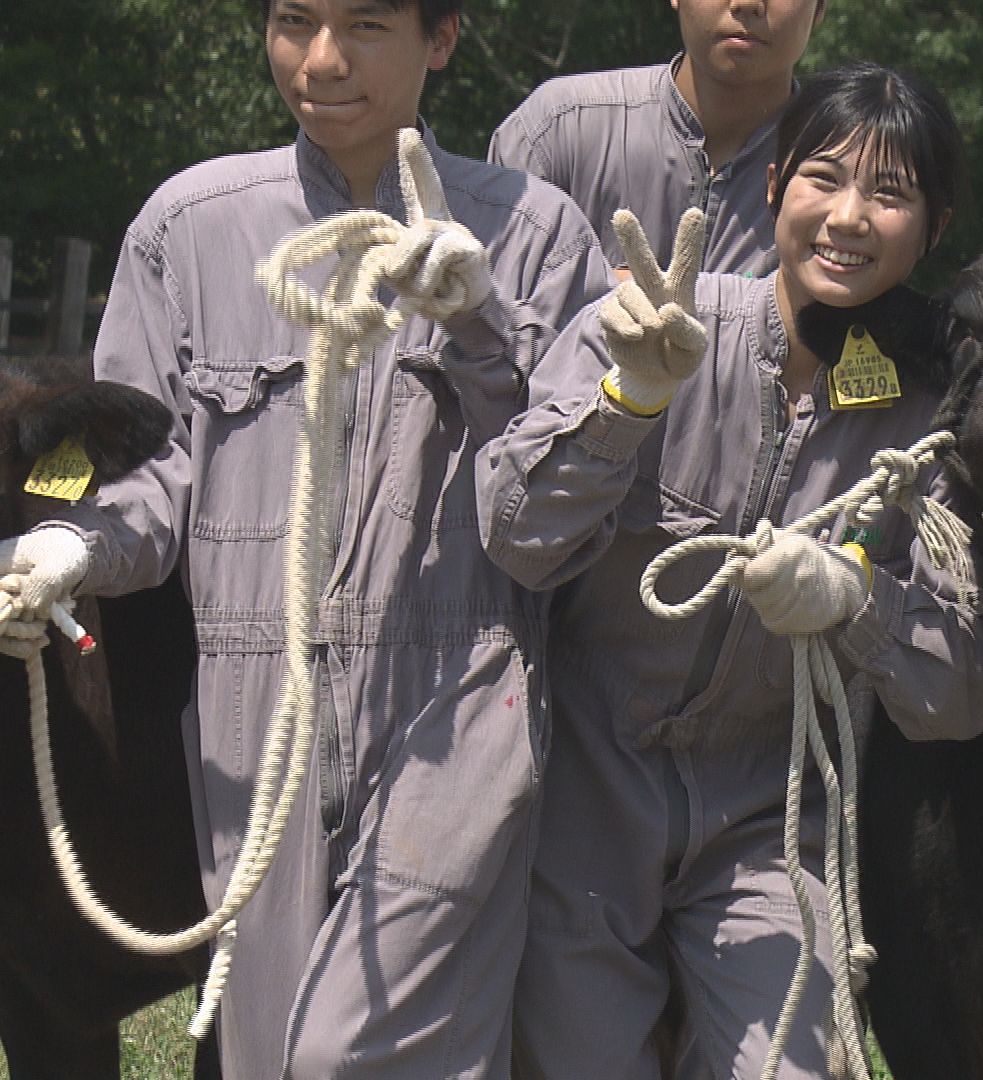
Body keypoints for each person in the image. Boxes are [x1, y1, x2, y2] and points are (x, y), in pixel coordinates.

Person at [0, 0, 609, 1076]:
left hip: (459, 696)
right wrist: (76, 549)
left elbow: (555, 508)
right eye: (294, 22)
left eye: (366, 25)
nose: (321, 60)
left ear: (443, 37)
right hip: (248, 711)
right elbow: (152, 479)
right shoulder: (186, 230)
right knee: (268, 1054)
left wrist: (476, 324)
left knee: (356, 1058)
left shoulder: (542, 233)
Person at [477, 62, 983, 1079]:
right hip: (588, 787)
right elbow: (514, 533)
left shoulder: (929, 412)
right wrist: (625, 406)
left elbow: (973, 677)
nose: (848, 218)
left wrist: (860, 603)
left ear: (935, 228)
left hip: (771, 819)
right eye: (823, 179)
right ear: (774, 186)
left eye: (890, 194)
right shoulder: (650, 325)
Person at [489, 0, 828, 277]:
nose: (747, 5)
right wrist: (599, 297)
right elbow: (487, 321)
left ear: (820, 9)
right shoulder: (557, 129)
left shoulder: (846, 174)